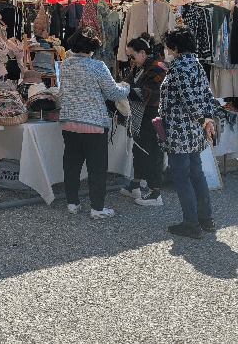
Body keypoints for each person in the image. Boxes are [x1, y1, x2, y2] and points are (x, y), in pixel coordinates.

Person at [58, 27, 130, 219]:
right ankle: (97, 208)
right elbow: (113, 93)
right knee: (96, 168)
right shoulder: (97, 66)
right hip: (93, 123)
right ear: (93, 47)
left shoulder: (65, 65)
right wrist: (126, 86)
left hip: (69, 121)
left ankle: (72, 203)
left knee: (71, 164)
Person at [159, 26, 220, 239]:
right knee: (197, 174)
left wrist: (203, 119)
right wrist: (207, 120)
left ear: (174, 47)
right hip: (195, 130)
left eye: (167, 45)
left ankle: (191, 223)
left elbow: (188, 99)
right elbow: (205, 95)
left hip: (179, 130)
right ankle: (206, 219)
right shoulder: (195, 64)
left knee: (182, 177)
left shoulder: (179, 67)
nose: (165, 49)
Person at [120, 33, 167, 206]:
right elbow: (130, 82)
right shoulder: (140, 67)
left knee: (153, 151)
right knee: (139, 149)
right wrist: (122, 86)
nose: (131, 60)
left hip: (156, 117)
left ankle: (156, 193)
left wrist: (124, 91)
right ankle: (135, 185)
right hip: (142, 115)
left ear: (142, 52)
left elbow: (151, 94)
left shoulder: (158, 67)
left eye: (132, 56)